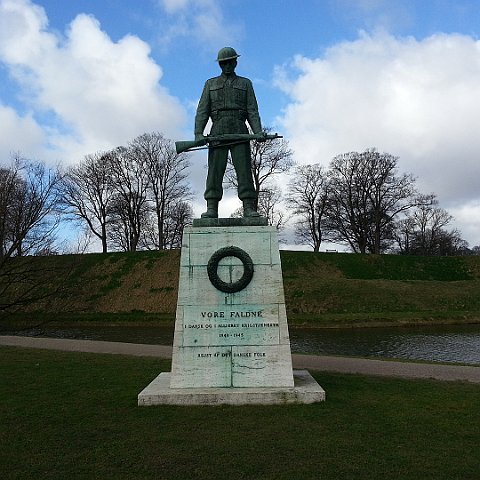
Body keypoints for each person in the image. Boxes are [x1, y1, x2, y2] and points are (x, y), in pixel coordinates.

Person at [195, 47, 265, 218]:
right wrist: (198, 133)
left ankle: (248, 207)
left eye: (229, 62)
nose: (226, 65)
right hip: (217, 129)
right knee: (214, 171)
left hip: (240, 128)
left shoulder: (245, 83)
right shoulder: (210, 84)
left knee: (244, 170)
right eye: (223, 63)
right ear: (220, 64)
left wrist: (258, 131)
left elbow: (252, 110)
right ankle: (212, 207)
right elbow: (203, 110)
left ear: (235, 62)